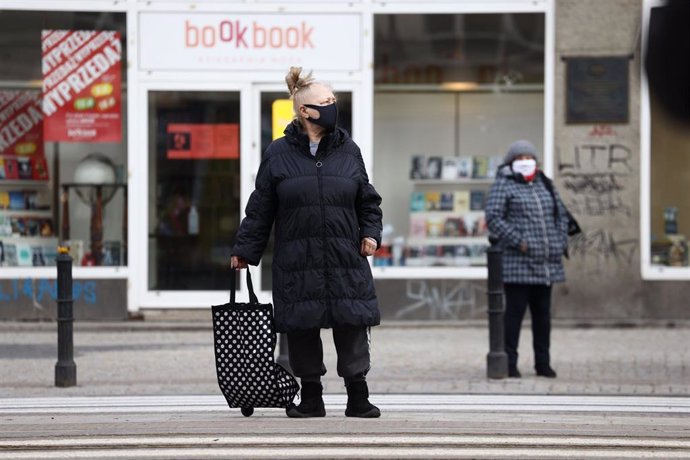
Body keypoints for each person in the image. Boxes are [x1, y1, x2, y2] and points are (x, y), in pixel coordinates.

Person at [230, 67, 383, 418]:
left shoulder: (349, 151)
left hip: (345, 255)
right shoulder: (278, 154)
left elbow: (367, 200)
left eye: (333, 101)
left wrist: (371, 233)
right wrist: (244, 251)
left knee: (351, 324)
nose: (332, 107)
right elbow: (261, 207)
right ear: (305, 111)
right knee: (301, 326)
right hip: (298, 258)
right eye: (325, 102)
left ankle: (357, 396)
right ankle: (311, 397)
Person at [484, 140, 569, 379]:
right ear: (511, 162)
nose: (524, 161)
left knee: (543, 316)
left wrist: (560, 240)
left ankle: (543, 363)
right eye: (519, 158)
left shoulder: (545, 183)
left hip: (546, 263)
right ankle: (510, 362)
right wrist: (520, 241)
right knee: (514, 315)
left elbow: (561, 215)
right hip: (517, 262)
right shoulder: (504, 184)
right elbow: (494, 217)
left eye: (528, 157)